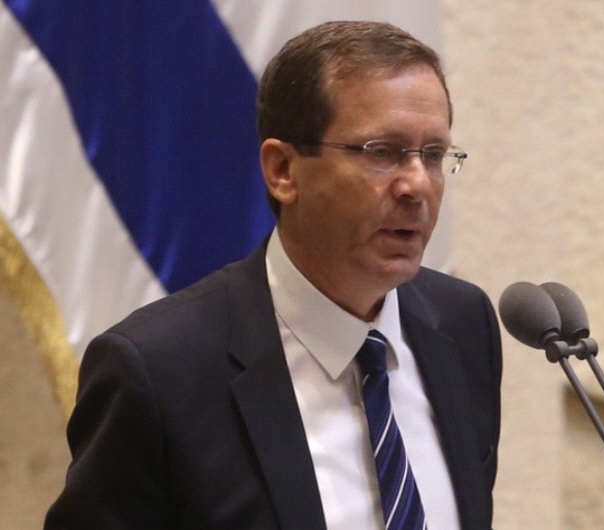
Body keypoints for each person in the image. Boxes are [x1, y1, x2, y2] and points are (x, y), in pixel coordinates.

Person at [45, 20, 502, 530]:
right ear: (282, 170)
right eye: (382, 153)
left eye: (433, 155)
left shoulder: (463, 326)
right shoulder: (157, 373)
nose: (417, 184)